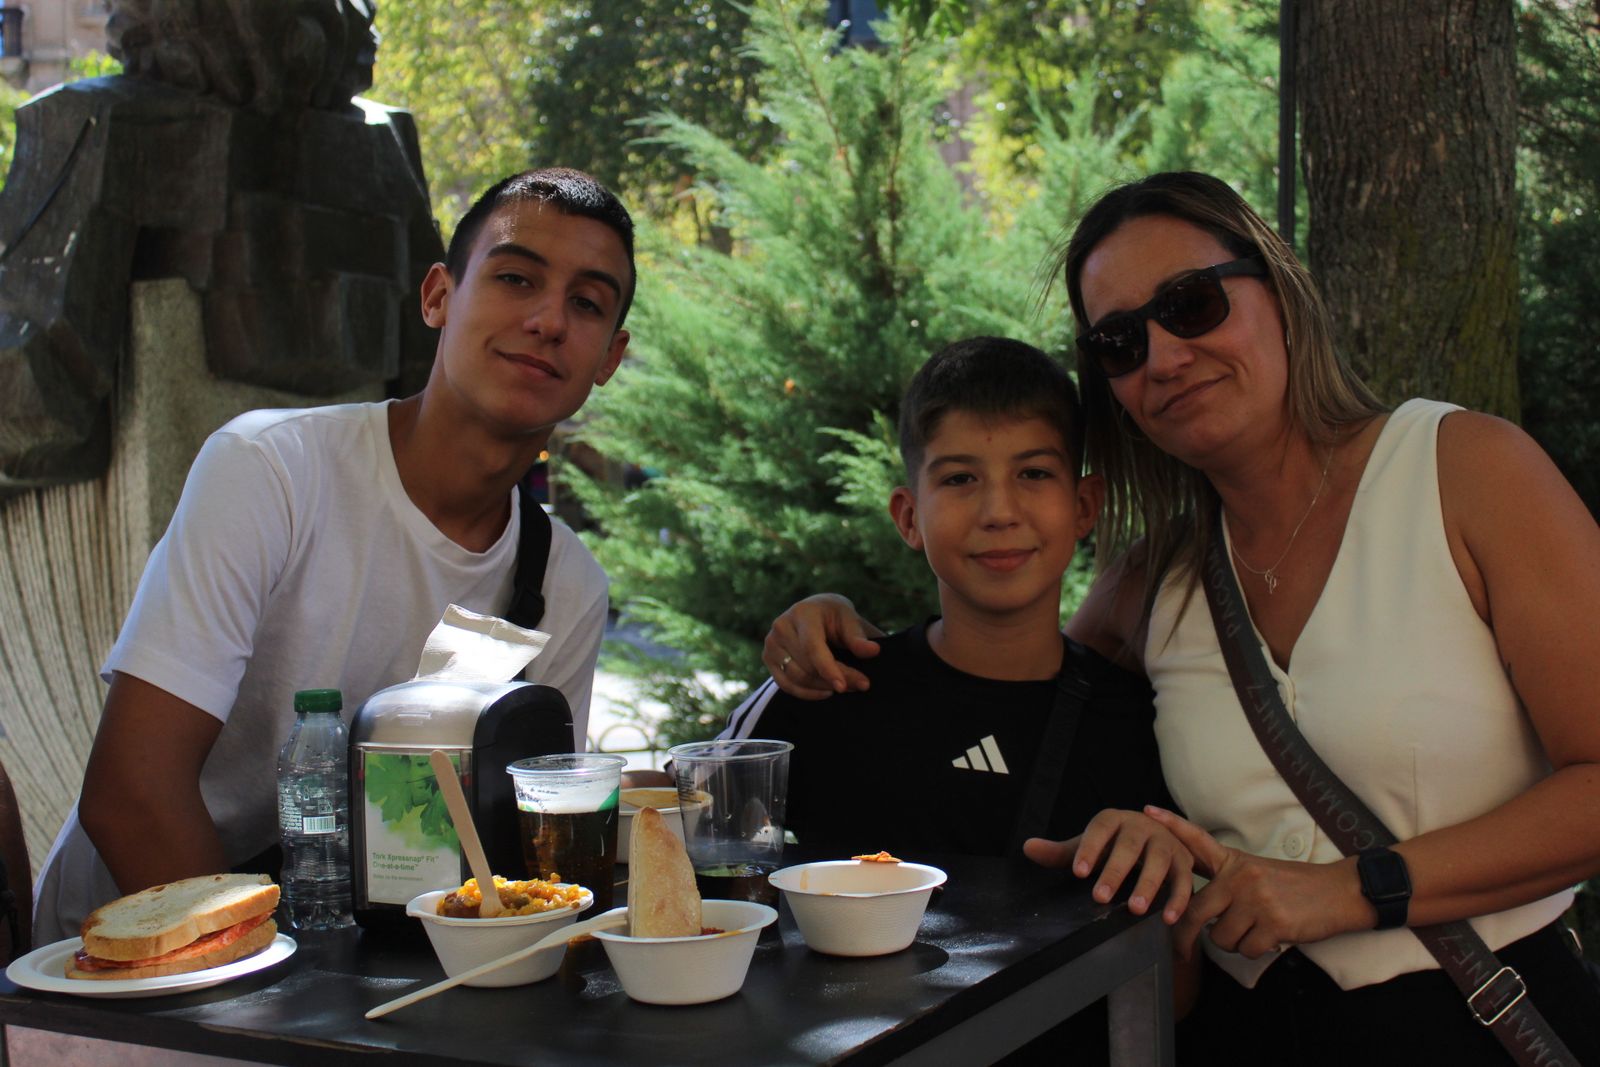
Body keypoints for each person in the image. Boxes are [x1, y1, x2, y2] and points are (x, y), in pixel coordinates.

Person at [763, 171, 1600, 1062]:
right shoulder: (1150, 582)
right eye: (1120, 341)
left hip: (1475, 1023)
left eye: (1192, 304)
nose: (1163, 357)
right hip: (1242, 1041)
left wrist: (1351, 889)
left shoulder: (1463, 471)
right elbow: (1013, 691)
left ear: (1278, 290)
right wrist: (839, 629)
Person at [33, 167, 635, 943]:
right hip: (132, 948)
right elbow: (132, 794)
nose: (549, 320)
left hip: (371, 957)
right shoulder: (271, 470)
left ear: (610, 357)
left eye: (586, 303)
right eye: (516, 278)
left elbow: (528, 850)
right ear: (438, 297)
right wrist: (271, 996)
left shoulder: (565, 585)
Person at [722, 337, 1177, 880]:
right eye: (960, 478)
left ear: (1084, 506)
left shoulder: (1140, 723)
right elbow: (680, 827)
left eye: (1033, 473)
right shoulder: (827, 690)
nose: (1000, 511)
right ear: (909, 517)